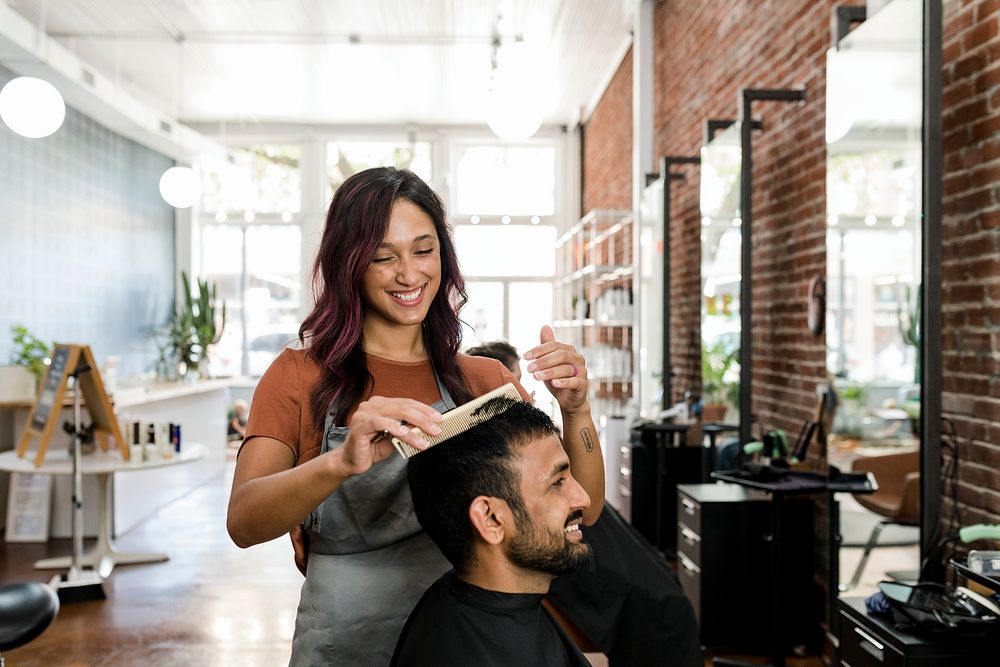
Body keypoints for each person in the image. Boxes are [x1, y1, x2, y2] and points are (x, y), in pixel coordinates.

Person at [226, 167, 604, 666]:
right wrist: (339, 463)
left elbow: (583, 511)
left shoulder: (484, 381)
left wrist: (576, 407)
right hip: (347, 643)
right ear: (349, 266)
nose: (409, 275)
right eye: (384, 257)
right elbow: (244, 522)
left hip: (465, 640)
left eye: (424, 251)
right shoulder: (300, 376)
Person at [467, 343, 702, 666]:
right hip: (573, 561)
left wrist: (576, 410)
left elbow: (588, 507)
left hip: (595, 549)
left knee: (669, 604)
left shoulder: (540, 444)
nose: (527, 398)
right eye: (514, 388)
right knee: (663, 610)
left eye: (524, 385)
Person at [392, 398, 592, 667]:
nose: (583, 499)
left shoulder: (478, 610)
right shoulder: (457, 650)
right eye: (557, 483)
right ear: (490, 519)